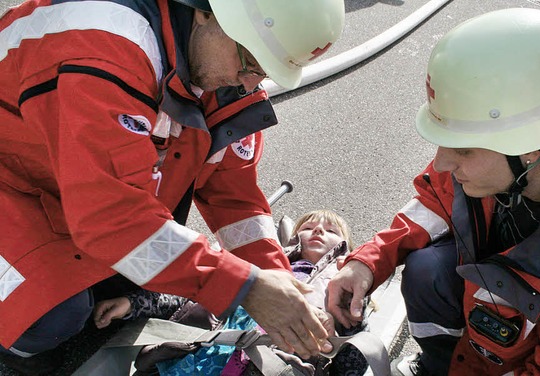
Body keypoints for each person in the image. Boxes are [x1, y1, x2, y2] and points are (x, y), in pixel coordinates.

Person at [0, 0, 345, 374]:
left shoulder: (215, 73)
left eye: (264, 73)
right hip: (13, 188)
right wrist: (247, 287)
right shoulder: (104, 51)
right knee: (48, 314)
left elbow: (235, 199)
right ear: (206, 12)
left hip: (64, 190)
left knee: (135, 277)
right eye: (251, 62)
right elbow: (111, 219)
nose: (250, 84)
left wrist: (280, 281)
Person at [327, 8, 540, 376]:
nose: (440, 163)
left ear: (531, 148)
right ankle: (438, 365)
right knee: (425, 270)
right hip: (485, 344)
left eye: (461, 148)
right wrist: (367, 262)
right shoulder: (499, 168)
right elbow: (432, 201)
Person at [93, 209, 369, 375]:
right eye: (308, 227)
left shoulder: (342, 289)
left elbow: (353, 356)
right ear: (294, 238)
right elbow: (191, 291)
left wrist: (339, 333)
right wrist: (133, 304)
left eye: (331, 230)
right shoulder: (253, 261)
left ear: (345, 246)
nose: (318, 229)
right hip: (202, 353)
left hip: (272, 365)